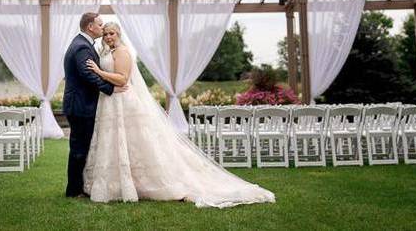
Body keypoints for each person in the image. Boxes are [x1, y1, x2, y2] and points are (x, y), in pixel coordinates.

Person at [81, 21, 276, 208]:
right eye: (105, 34)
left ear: (119, 34)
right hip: (110, 101)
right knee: (116, 142)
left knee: (134, 142)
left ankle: (142, 183)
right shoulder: (109, 51)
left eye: (111, 33)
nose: (107, 37)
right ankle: (122, 183)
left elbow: (123, 80)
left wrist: (98, 71)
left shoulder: (122, 51)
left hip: (123, 101)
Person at [62, 12, 129, 197]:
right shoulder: (82, 47)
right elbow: (88, 75)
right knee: (79, 148)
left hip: (81, 104)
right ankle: (74, 190)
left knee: (80, 147)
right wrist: (110, 89)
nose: (103, 28)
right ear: (90, 27)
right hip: (80, 105)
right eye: (100, 25)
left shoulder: (82, 44)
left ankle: (76, 187)